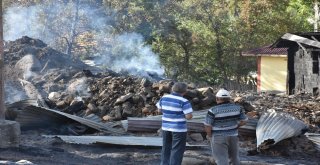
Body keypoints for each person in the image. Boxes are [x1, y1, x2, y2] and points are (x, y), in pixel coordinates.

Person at [204, 88, 247, 165]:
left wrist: (210, 135)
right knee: (234, 157)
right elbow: (244, 121)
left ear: (217, 99)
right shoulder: (237, 108)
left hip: (218, 137)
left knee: (221, 158)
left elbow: (208, 125)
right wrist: (237, 126)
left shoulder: (213, 110)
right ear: (229, 98)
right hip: (233, 135)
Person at [156, 82, 193, 165]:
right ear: (184, 92)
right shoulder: (184, 101)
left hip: (165, 127)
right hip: (179, 129)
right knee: (177, 150)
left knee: (166, 148)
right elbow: (189, 117)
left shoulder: (164, 98)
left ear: (173, 89)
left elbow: (159, 111)